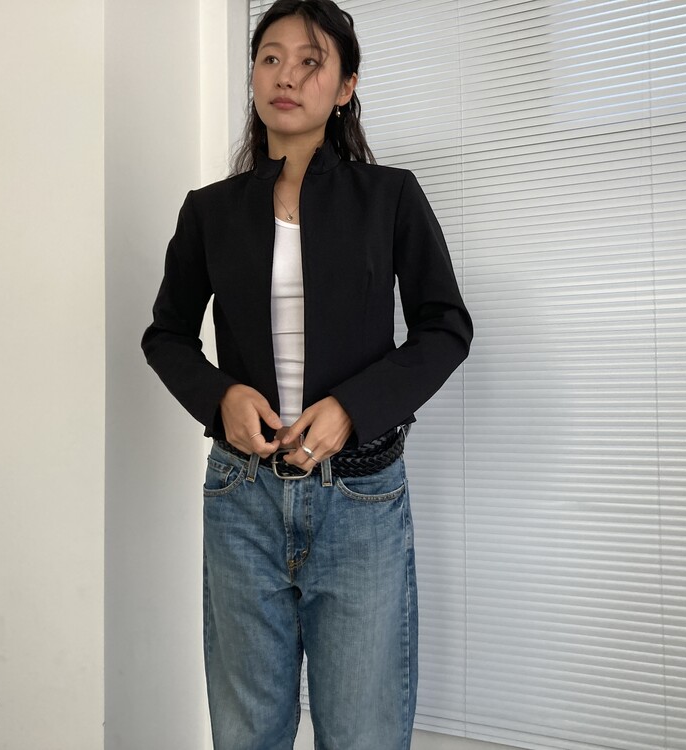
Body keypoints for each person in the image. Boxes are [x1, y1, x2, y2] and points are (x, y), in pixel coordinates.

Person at [141, 1, 472, 747]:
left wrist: (354, 407)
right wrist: (221, 396)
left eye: (310, 61)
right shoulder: (209, 212)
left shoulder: (390, 197)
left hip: (360, 496)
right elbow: (166, 335)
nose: (285, 75)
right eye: (270, 57)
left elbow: (445, 327)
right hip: (241, 497)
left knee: (362, 731)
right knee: (246, 732)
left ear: (346, 86)